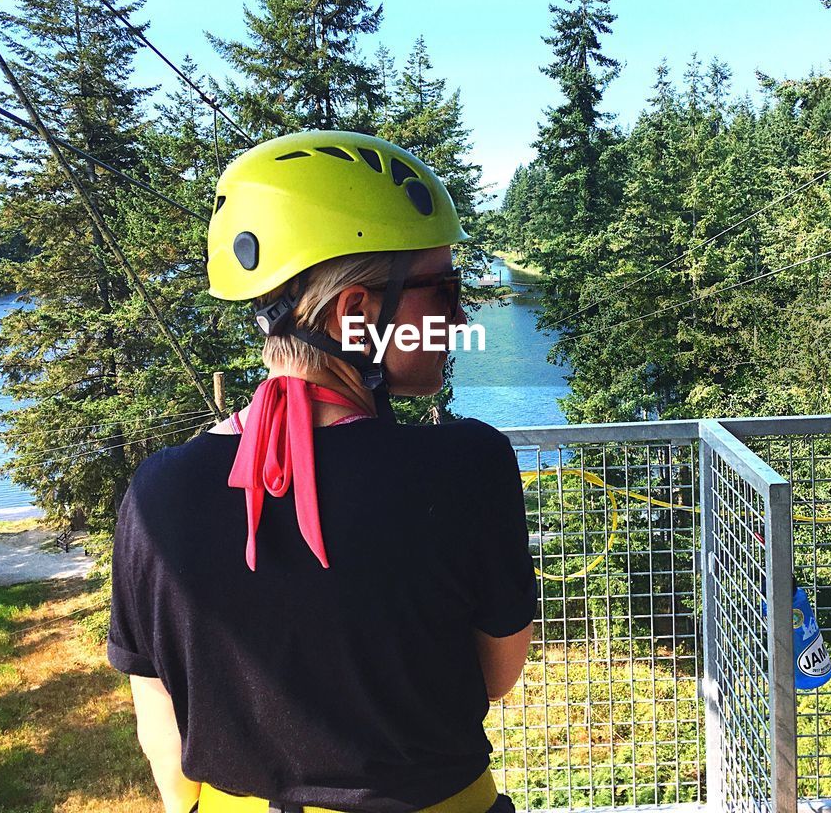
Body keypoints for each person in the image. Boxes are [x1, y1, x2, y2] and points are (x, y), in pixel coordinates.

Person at [107, 130, 537, 813]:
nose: (457, 317)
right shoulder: (466, 467)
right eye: (444, 289)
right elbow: (495, 676)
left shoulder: (158, 491)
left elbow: (157, 709)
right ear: (356, 311)